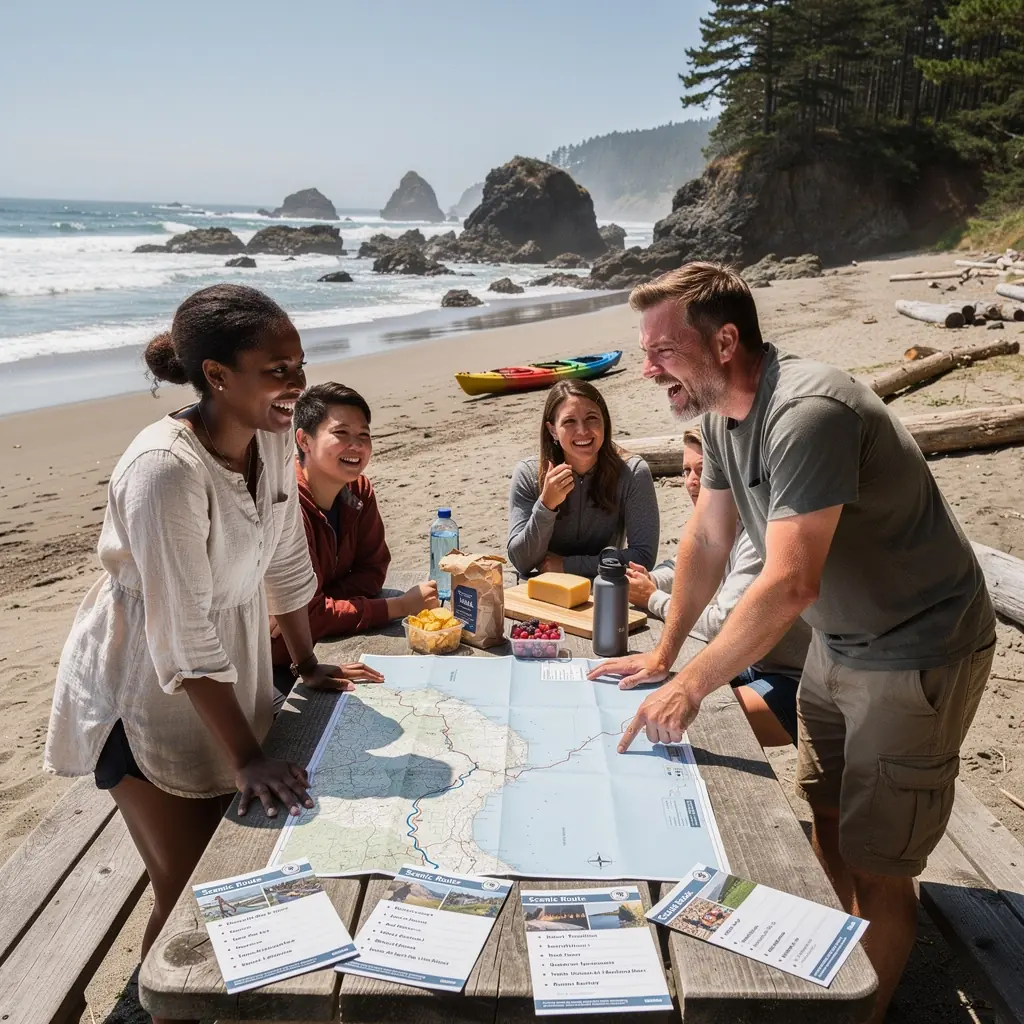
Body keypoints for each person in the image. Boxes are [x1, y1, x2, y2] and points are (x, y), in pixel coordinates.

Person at [591, 263, 995, 1023]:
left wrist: (691, 685)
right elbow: (707, 543)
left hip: (917, 647)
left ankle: (859, 1011)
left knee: (881, 865)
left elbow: (788, 584)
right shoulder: (718, 414)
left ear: (725, 342)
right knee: (827, 813)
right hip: (836, 644)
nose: (646, 368)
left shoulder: (807, 411)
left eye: (661, 351)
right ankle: (837, 969)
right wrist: (664, 653)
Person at [42, 285, 384, 1006]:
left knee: (222, 878)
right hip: (140, 695)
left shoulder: (266, 433)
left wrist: (310, 661)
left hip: (219, 676)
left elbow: (289, 558)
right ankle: (148, 1010)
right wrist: (249, 756)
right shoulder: (164, 471)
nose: (296, 383)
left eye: (298, 364)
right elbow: (181, 633)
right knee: (191, 891)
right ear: (218, 376)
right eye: (277, 368)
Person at [627, 425, 808, 747]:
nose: (693, 482)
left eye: (703, 470)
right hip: (751, 663)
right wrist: (652, 580)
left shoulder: (758, 534)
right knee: (649, 695)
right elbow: (686, 569)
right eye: (685, 471)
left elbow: (722, 625)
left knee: (696, 723)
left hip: (797, 682)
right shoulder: (717, 518)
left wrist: (652, 598)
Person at [269, 382, 438, 669]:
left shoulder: (358, 490)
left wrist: (323, 602)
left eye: (363, 435)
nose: (356, 445)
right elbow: (307, 618)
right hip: (278, 664)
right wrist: (399, 606)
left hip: (324, 645)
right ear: (304, 440)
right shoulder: (287, 508)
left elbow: (374, 570)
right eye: (341, 433)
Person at [507, 379, 659, 578]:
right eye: (569, 421)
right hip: (545, 591)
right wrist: (546, 505)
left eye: (592, 418)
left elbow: (643, 556)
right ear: (552, 429)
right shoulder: (529, 474)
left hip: (605, 587)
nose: (583, 431)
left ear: (604, 421)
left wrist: (567, 566)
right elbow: (521, 561)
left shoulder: (632, 472)